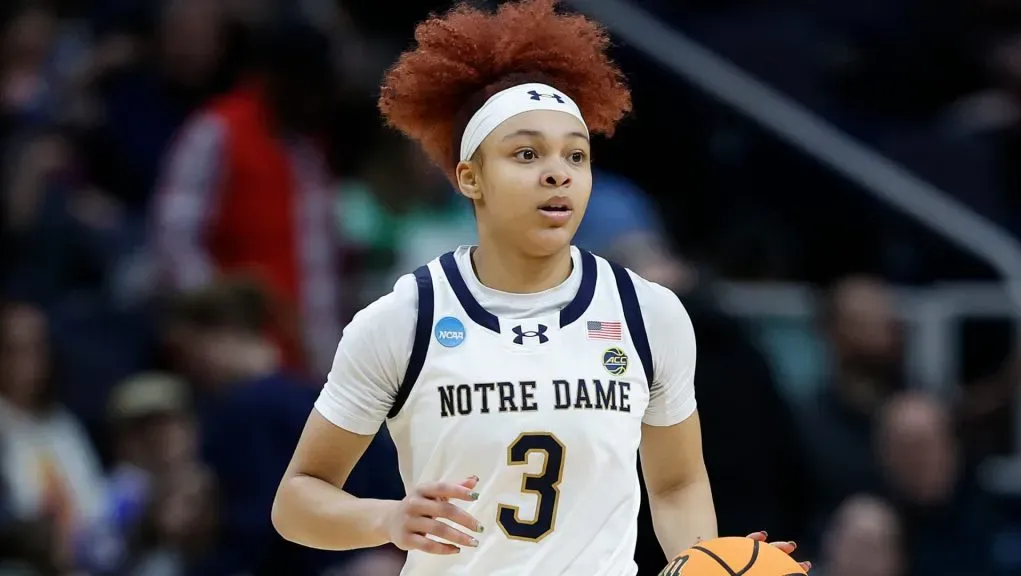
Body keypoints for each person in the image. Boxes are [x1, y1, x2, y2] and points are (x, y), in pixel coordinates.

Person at [272, 1, 807, 574]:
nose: (558, 173)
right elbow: (298, 499)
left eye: (575, 155)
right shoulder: (406, 318)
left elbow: (676, 484)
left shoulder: (648, 313)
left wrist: (703, 563)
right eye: (527, 153)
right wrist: (387, 519)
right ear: (469, 177)